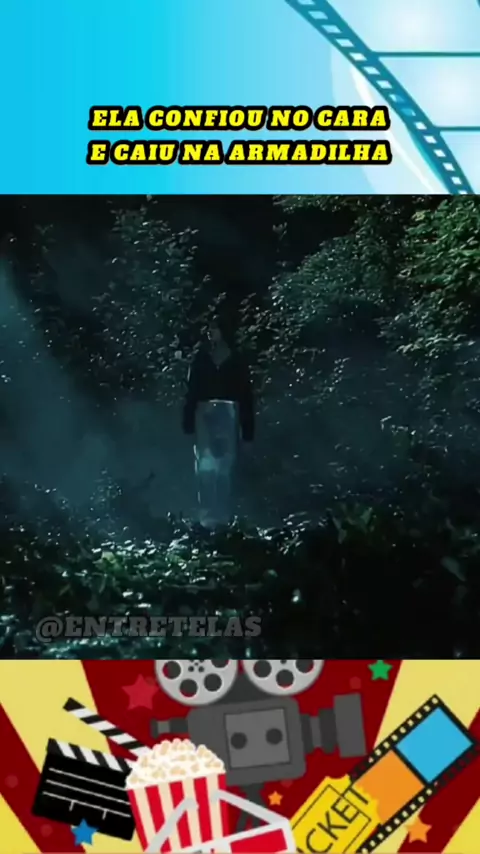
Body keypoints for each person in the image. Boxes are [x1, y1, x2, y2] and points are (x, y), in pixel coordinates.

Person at [182, 319, 254, 527]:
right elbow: (191, 393)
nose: (210, 333)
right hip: (204, 416)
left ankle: (223, 515)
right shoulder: (201, 359)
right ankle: (207, 516)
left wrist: (248, 431)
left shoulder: (236, 360)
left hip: (229, 415)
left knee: (225, 467)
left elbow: (246, 396)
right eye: (209, 329)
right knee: (205, 466)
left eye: (215, 328)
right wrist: (188, 422)